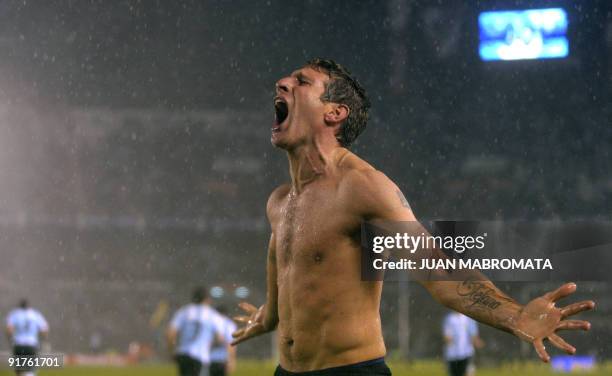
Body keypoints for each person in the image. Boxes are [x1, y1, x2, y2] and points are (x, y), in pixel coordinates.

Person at [231, 58, 595, 375]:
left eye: (302, 82)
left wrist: (514, 316)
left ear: (335, 112)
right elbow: (284, 268)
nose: (283, 83)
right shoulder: (279, 201)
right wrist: (267, 318)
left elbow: (436, 269)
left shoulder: (361, 188)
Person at [167, 287, 227, 376]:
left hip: (183, 354)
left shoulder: (184, 312)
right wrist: (209, 346)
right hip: (200, 356)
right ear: (207, 299)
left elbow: (170, 333)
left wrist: (172, 350)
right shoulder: (212, 315)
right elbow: (220, 338)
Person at [5, 299, 49, 376]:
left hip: (18, 344)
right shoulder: (35, 314)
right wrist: (43, 339)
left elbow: (9, 329)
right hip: (31, 344)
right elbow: (44, 330)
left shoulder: (15, 314)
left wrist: (10, 339)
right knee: (30, 368)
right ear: (29, 306)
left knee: (19, 370)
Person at [443, 312, 484, 376]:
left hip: (467, 353)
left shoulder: (469, 319)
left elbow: (474, 335)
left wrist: (476, 342)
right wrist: (449, 340)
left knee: (468, 372)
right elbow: (447, 335)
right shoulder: (449, 319)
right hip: (453, 354)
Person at [210, 306, 237, 376]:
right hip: (222, 360)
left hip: (209, 360)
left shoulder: (210, 322)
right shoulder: (230, 325)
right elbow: (231, 344)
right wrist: (231, 360)